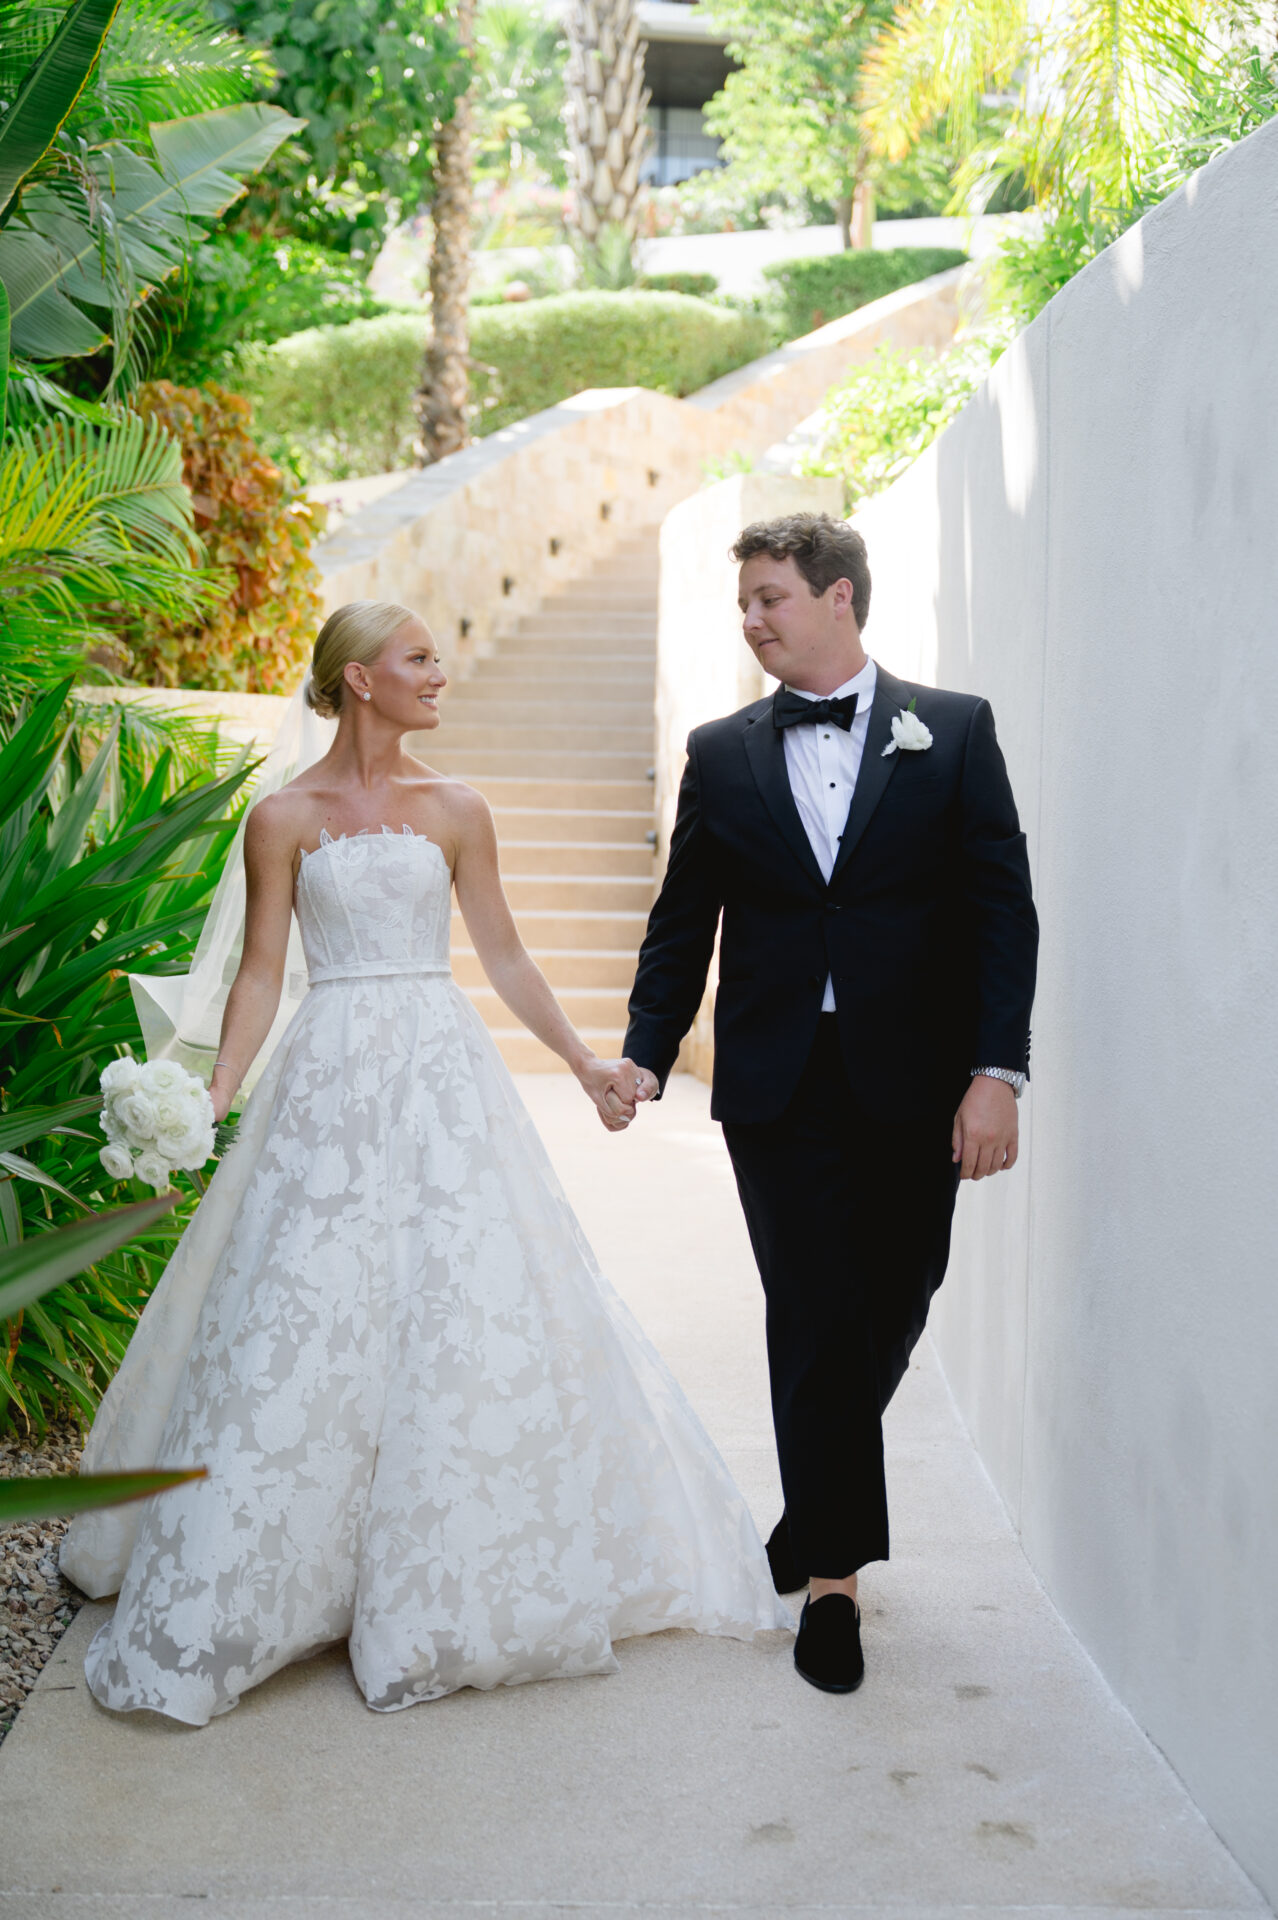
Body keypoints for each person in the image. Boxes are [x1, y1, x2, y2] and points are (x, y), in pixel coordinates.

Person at [60, 599, 789, 1725]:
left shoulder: (458, 809)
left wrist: (587, 1062)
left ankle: (442, 1572)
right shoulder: (281, 818)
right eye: (419, 658)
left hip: (443, 1078)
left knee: (460, 1300)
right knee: (302, 1308)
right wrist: (210, 1100)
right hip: (325, 1080)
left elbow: (504, 953)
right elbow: (262, 973)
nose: (439, 674)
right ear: (360, 678)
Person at [620, 514, 1038, 1695]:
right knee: (812, 1311)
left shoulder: (953, 729)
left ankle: (810, 1508)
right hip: (777, 1084)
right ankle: (835, 1585)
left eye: (771, 598)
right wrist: (646, 1053)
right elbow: (683, 921)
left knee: (895, 1298)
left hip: (918, 1080)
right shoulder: (721, 751)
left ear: (839, 596)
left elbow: (1002, 912)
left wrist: (995, 1073)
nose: (752, 619)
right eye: (745, 603)